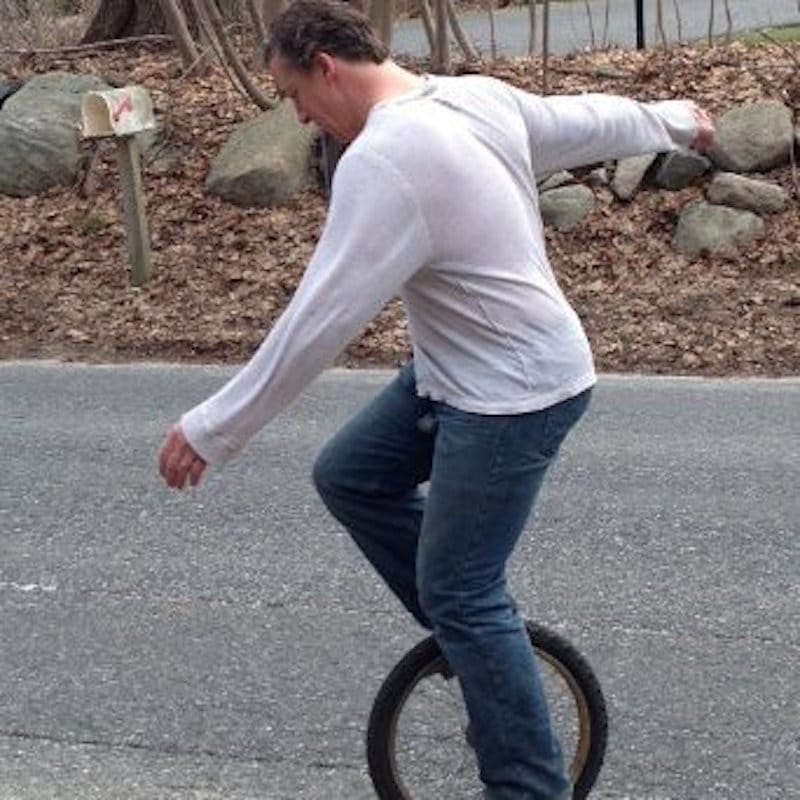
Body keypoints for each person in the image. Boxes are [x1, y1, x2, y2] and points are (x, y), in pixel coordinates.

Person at [158, 2, 714, 797]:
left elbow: (321, 318)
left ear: (325, 66)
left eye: (293, 95)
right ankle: (486, 654)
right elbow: (584, 118)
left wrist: (215, 427)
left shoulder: (390, 157)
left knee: (462, 589)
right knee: (348, 475)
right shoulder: (466, 95)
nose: (300, 117)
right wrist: (670, 119)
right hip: (457, 372)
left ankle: (526, 784)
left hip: (512, 393)